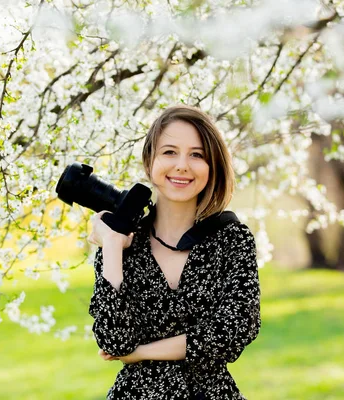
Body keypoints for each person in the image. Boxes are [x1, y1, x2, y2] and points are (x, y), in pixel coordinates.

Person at [87, 105, 261, 399]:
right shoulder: (120, 242)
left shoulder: (232, 239)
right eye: (169, 152)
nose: (182, 165)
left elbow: (234, 329)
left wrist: (141, 353)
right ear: (149, 160)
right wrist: (114, 245)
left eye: (197, 154)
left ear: (213, 166)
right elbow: (113, 339)